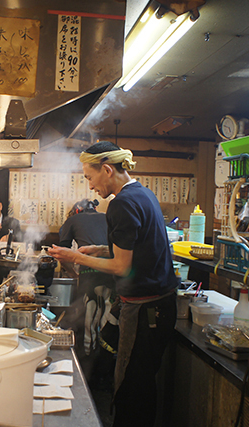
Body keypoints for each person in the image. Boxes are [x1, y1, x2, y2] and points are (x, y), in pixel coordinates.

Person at [49, 141, 178, 427]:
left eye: (90, 177)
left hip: (145, 311)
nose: (91, 186)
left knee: (130, 392)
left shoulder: (121, 202)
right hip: (161, 306)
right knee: (140, 387)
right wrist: (98, 249)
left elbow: (122, 266)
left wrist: (74, 257)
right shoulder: (143, 194)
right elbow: (138, 249)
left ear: (107, 170)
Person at [58, 198, 114, 356]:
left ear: (77, 210)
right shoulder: (108, 218)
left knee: (86, 320)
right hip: (113, 274)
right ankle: (105, 366)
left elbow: (62, 254)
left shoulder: (73, 220)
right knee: (105, 319)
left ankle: (86, 365)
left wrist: (72, 273)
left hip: (89, 276)